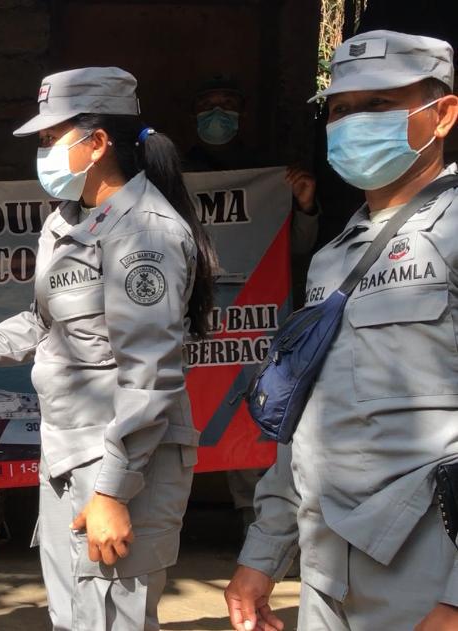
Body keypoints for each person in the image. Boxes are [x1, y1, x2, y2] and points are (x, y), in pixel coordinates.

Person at [0, 67, 217, 631]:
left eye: (51, 138)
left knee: (112, 619)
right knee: (74, 617)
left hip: (125, 463)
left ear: (98, 142)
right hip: (66, 454)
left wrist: (113, 491)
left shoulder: (144, 234)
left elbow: (150, 376)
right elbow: (43, 323)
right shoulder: (66, 222)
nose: (43, 152)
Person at [224, 30, 458, 631]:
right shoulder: (331, 260)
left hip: (429, 571)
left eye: (378, 105)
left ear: (443, 114)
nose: (353, 122)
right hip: (328, 570)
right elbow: (306, 424)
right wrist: (263, 556)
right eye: (341, 110)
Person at [184, 76, 320, 537]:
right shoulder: (172, 172)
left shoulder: (270, 173)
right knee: (178, 414)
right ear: (194, 113)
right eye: (208, 104)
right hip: (187, 320)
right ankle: (162, 528)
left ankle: (257, 529)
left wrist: (303, 205)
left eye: (226, 104)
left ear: (241, 114)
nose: (217, 113)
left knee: (245, 418)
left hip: (249, 324)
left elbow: (296, 250)